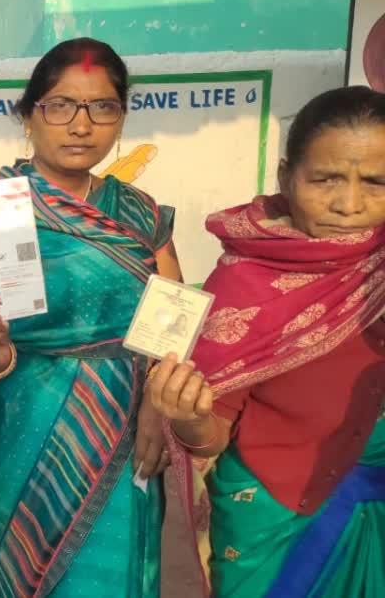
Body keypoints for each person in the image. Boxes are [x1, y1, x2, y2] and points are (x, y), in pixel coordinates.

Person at [0, 38, 180, 597]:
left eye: (103, 107)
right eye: (60, 106)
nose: (80, 125)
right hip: (25, 428)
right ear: (28, 115)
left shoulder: (140, 214)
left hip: (126, 432)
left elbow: (171, 321)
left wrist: (157, 409)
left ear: (121, 117)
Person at [150, 86, 385, 598]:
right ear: (286, 177)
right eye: (325, 180)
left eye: (376, 182)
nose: (349, 204)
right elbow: (212, 430)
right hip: (272, 513)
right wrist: (187, 414)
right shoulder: (246, 282)